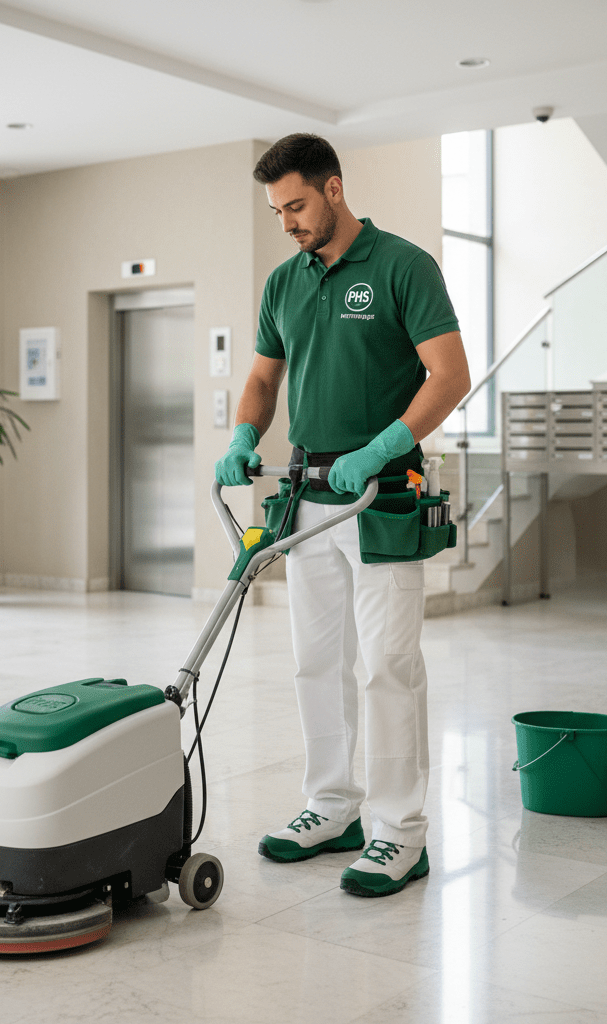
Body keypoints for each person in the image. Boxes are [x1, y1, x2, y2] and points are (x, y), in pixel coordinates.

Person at [215, 133, 470, 897]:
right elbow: (263, 378)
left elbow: (449, 374)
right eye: (276, 210)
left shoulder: (402, 266)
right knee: (315, 663)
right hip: (307, 501)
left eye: (295, 204)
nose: (287, 221)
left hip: (380, 496)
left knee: (387, 666)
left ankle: (399, 832)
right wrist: (242, 434)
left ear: (332, 190)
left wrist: (386, 443)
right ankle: (331, 807)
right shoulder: (284, 282)